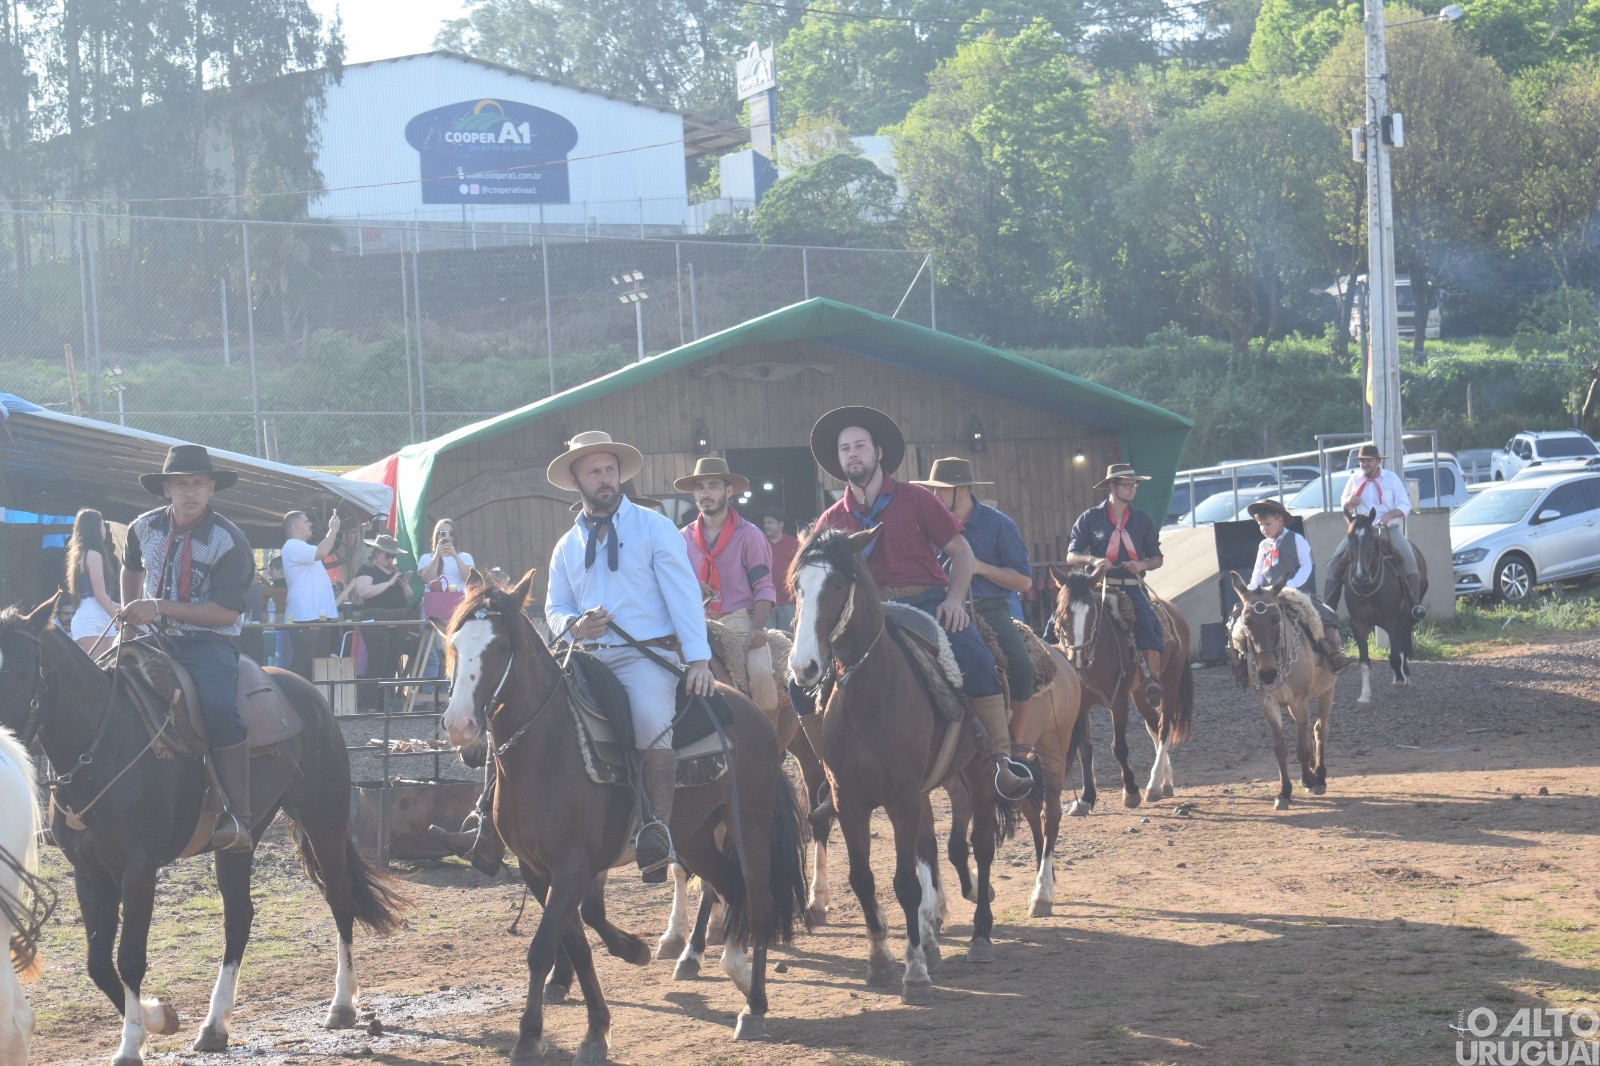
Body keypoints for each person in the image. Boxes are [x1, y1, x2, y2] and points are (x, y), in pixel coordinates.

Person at [798, 407, 1033, 800]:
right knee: (798, 682)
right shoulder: (831, 519)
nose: (852, 454)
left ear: (878, 453)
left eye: (860, 446)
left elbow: (961, 552)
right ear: (838, 460)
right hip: (859, 618)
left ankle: (1001, 761)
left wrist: (955, 600)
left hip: (924, 603)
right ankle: (829, 775)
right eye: (844, 449)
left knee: (977, 660)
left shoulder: (917, 499)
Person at [545, 431, 715, 882]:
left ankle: (655, 830)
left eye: (610, 470)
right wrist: (573, 627)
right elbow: (554, 608)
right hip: (584, 658)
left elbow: (683, 594)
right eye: (594, 471)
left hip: (646, 657)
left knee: (649, 722)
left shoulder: (653, 526)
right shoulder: (564, 546)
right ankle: (495, 822)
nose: (605, 478)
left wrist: (698, 658)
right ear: (576, 480)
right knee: (535, 714)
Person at [120, 444, 256, 852]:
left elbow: (226, 612)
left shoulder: (229, 540)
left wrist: (157, 606)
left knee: (217, 707)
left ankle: (239, 817)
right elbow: (131, 567)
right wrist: (129, 616)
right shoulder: (141, 528)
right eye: (181, 484)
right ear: (167, 489)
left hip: (207, 643)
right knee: (104, 688)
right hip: (152, 638)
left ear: (212, 488)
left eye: (198, 483)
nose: (190, 491)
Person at [911, 457, 1039, 754]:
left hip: (988, 608)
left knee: (1022, 668)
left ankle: (1014, 745)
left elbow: (1024, 581)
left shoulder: (998, 524)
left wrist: (979, 567)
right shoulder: (926, 524)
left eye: (941, 490)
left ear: (963, 488)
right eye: (933, 491)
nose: (935, 497)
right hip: (938, 607)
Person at [677, 457, 779, 715]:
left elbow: (764, 586)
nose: (705, 493)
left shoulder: (750, 535)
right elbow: (673, 586)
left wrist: (757, 628)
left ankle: (767, 742)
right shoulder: (681, 538)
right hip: (694, 625)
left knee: (761, 675)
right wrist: (691, 587)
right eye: (700, 487)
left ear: (729, 491)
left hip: (740, 623)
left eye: (713, 486)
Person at [1064, 463, 1168, 706]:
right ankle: (1060, 672)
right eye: (1127, 485)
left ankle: (1151, 678)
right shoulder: (1090, 518)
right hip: (1095, 585)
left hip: (1131, 585)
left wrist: (1141, 565)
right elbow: (1072, 555)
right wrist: (1093, 560)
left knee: (1148, 624)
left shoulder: (1143, 520)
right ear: (1112, 487)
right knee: (1057, 622)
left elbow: (1157, 559)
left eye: (1134, 485)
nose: (1132, 489)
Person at [1243, 499, 1351, 671]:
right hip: (1268, 594)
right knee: (1246, 618)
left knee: (1319, 615)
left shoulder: (1297, 539)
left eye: (1268, 524)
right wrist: (1252, 588)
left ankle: (1333, 654)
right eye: (1260, 525)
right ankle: (1242, 658)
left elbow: (1307, 566)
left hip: (1294, 591)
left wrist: (1292, 584)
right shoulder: (1263, 545)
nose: (1264, 529)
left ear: (1280, 521)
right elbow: (1258, 571)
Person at [1322, 444, 1427, 619]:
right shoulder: (1354, 479)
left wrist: (1388, 515)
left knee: (1409, 558)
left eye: (1369, 461)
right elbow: (1342, 502)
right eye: (1362, 461)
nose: (1365, 464)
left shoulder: (1391, 479)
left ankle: (1414, 605)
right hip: (1361, 532)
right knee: (1335, 561)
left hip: (1387, 529)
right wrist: (1349, 500)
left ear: (1377, 461)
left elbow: (1404, 505)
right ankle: (1328, 609)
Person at [351, 534, 412, 711]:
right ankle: (370, 704)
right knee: (377, 659)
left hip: (398, 617)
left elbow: (408, 596)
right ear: (377, 552)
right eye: (387, 555)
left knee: (392, 661)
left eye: (393, 556)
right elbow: (364, 591)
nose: (391, 559)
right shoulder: (366, 569)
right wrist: (389, 582)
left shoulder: (395, 570)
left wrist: (404, 584)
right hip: (376, 617)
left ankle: (386, 703)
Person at [280, 509, 341, 681]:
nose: (310, 524)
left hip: (317, 615)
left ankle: (315, 704)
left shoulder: (304, 548)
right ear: (294, 526)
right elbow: (322, 552)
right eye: (305, 521)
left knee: (319, 664)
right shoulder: (292, 545)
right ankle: (290, 701)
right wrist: (333, 530)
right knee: (303, 663)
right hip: (305, 616)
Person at [65, 507, 122, 658]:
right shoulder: (93, 555)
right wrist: (120, 620)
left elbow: (100, 596)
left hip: (97, 617)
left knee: (106, 673)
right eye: (102, 525)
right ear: (94, 528)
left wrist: (124, 609)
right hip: (93, 620)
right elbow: (99, 595)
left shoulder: (80, 555)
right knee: (101, 673)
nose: (104, 529)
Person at [759, 507, 800, 632]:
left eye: (770, 522)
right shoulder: (759, 543)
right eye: (765, 523)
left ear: (781, 524)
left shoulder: (795, 544)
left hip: (789, 601)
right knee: (767, 639)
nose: (766, 526)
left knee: (789, 638)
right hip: (765, 601)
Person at [418, 518, 475, 592]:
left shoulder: (465, 557)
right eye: (442, 533)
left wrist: (455, 556)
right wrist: (437, 555)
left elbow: (469, 578)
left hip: (460, 600)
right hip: (435, 600)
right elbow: (428, 580)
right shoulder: (426, 558)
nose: (445, 537)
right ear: (436, 535)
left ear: (454, 536)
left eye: (449, 533)